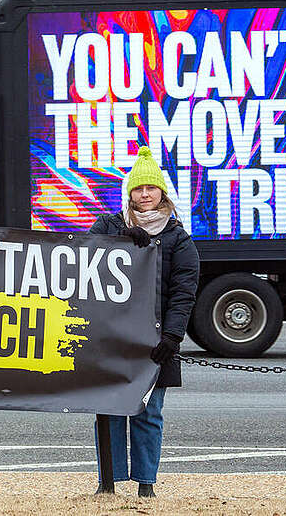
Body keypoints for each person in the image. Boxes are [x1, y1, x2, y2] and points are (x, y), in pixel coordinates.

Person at [88, 145, 200, 497]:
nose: (145, 194)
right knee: (107, 410)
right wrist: (121, 239)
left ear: (162, 192)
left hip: (155, 341)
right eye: (138, 188)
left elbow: (184, 291)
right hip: (110, 336)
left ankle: (146, 484)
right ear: (130, 193)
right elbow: (81, 258)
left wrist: (172, 336)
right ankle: (108, 482)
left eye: (151, 188)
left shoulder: (179, 239)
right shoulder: (109, 225)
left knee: (149, 412)